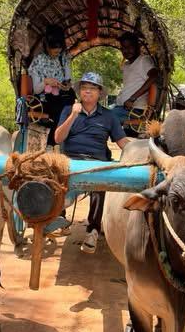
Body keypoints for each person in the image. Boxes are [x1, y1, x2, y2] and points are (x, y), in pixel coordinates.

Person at [55, 72, 130, 253]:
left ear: (99, 93)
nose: (87, 92)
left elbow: (122, 143)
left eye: (92, 89)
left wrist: (140, 150)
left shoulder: (109, 116)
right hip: (70, 160)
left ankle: (93, 230)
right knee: (55, 181)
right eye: (84, 88)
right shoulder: (68, 110)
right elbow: (58, 138)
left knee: (100, 184)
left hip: (96, 162)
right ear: (80, 91)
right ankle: (60, 219)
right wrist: (73, 115)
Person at [28, 24, 75, 147]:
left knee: (71, 107)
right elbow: (36, 90)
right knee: (59, 111)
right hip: (44, 99)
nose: (57, 51)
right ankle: (54, 143)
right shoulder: (38, 61)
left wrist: (66, 85)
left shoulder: (64, 59)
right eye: (54, 48)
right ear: (46, 45)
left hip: (63, 97)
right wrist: (46, 82)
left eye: (59, 48)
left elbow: (68, 81)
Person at [110, 32, 158, 126]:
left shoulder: (143, 60)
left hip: (135, 111)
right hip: (120, 107)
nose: (126, 51)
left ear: (137, 47)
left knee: (103, 118)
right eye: (123, 48)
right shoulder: (126, 65)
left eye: (130, 47)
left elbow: (154, 76)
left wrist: (132, 98)